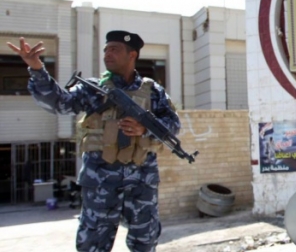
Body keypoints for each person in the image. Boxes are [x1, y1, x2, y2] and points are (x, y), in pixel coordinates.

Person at [7, 31, 180, 252]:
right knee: (92, 245)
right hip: (100, 182)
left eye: (114, 49)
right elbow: (60, 103)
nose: (107, 54)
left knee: (145, 242)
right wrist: (37, 69)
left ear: (132, 55)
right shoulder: (93, 88)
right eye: (106, 49)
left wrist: (144, 128)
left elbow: (173, 123)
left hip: (142, 181)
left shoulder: (153, 90)